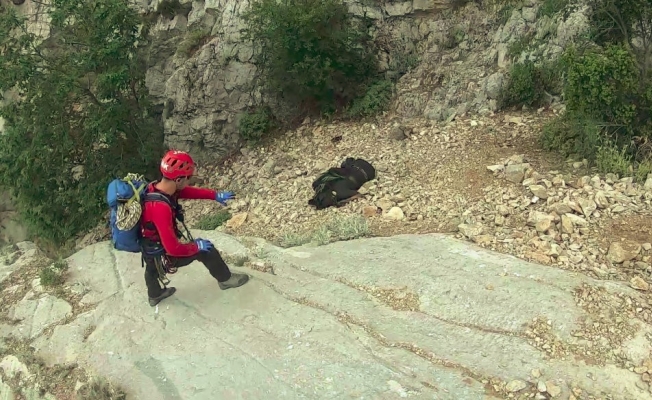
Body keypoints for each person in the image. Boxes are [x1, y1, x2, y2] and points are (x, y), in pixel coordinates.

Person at [139, 150, 250, 306]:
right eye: (189, 178)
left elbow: (186, 191)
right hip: (165, 252)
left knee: (152, 268)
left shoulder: (155, 188)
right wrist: (196, 246)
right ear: (178, 179)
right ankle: (226, 279)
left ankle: (155, 295)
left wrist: (214, 195)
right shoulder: (160, 207)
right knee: (207, 250)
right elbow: (173, 249)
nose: (190, 181)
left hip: (149, 248)